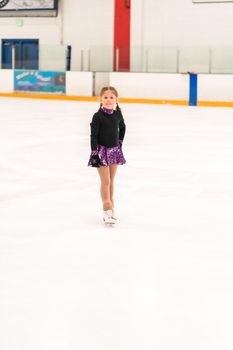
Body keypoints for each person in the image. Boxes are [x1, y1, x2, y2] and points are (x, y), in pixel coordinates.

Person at [88, 86, 126, 224]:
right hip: (101, 152)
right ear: (100, 99)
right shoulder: (97, 116)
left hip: (114, 151)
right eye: (105, 97)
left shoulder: (117, 114)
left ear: (116, 100)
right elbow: (93, 135)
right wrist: (94, 153)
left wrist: (120, 142)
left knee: (111, 181)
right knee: (105, 181)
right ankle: (107, 208)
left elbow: (122, 127)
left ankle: (111, 206)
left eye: (111, 97)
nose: (108, 100)